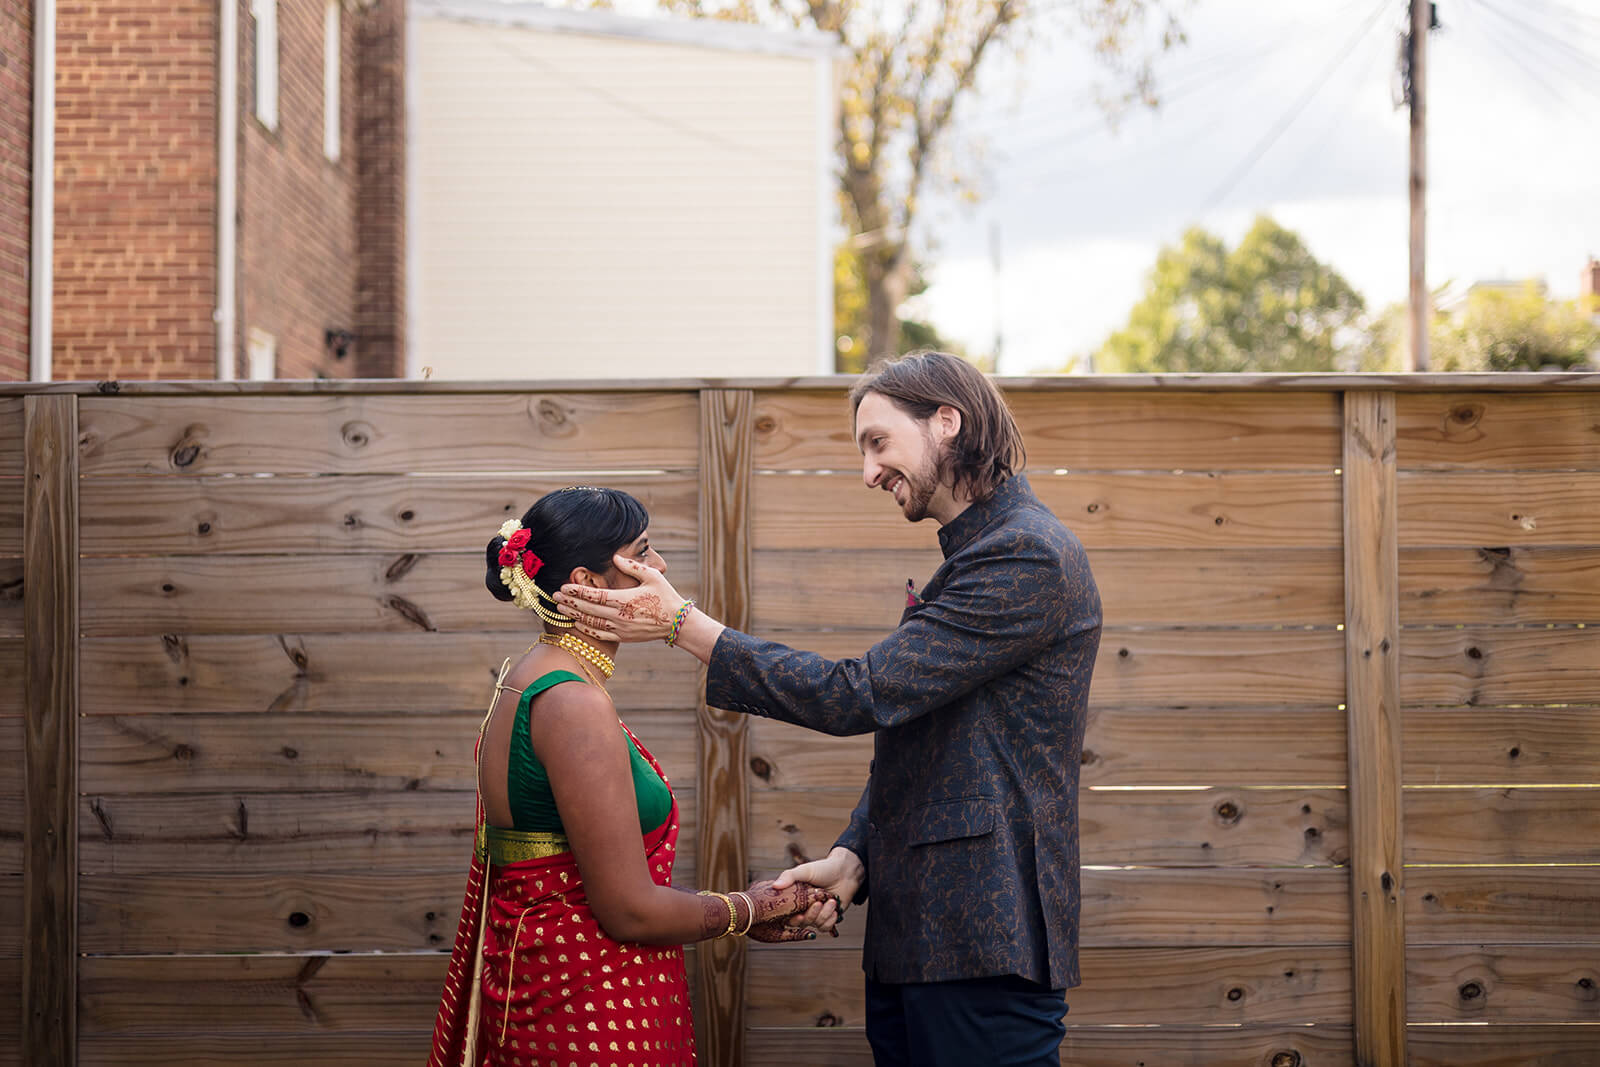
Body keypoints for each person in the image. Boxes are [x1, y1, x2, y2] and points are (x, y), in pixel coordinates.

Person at [555, 353, 1103, 1067]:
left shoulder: (1026, 556)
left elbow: (860, 693)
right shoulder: (976, 557)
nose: (868, 472)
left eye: (877, 441)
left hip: (982, 945)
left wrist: (679, 621)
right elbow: (928, 738)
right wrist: (854, 858)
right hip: (922, 942)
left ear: (947, 420)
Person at [429, 486, 830, 1067]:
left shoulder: (532, 676)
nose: (660, 568)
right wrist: (750, 908)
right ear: (588, 585)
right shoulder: (571, 703)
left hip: (567, 989)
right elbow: (627, 909)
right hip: (587, 1012)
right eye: (642, 553)